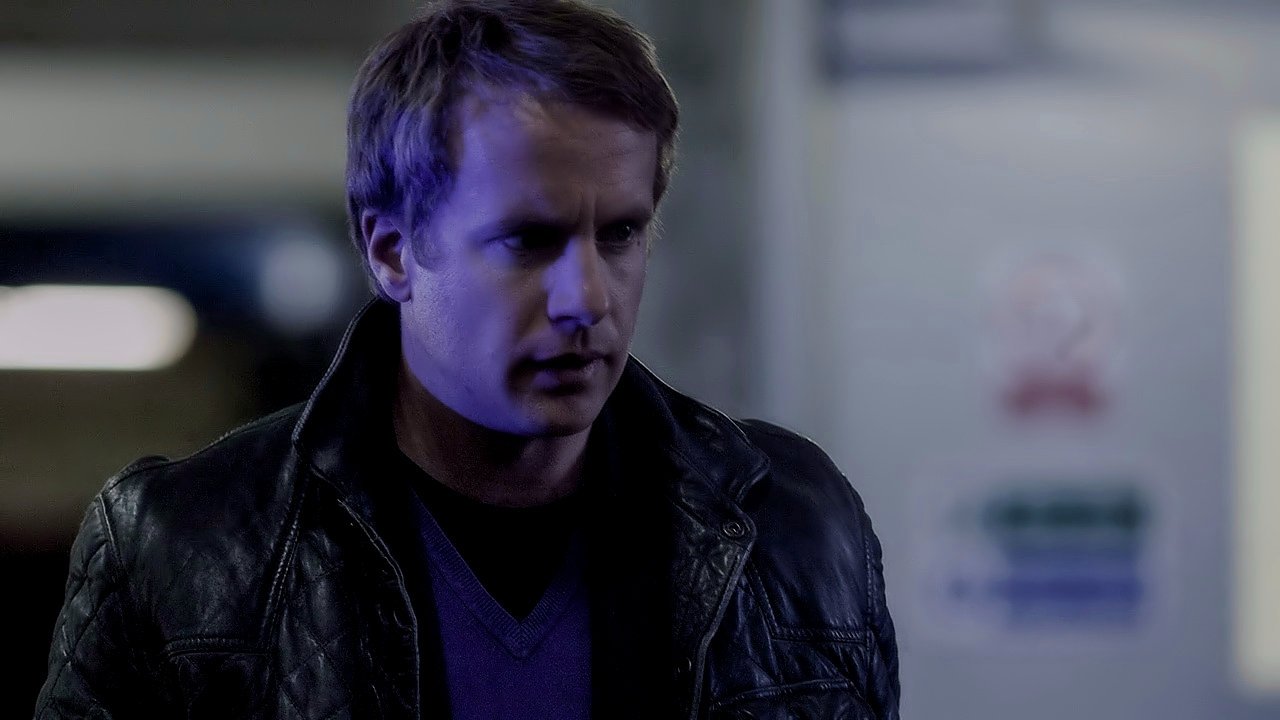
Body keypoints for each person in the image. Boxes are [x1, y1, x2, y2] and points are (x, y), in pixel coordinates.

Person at [35, 0, 899, 717]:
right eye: (528, 239)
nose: (587, 298)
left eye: (620, 234)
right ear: (392, 252)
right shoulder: (183, 550)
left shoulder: (797, 528)